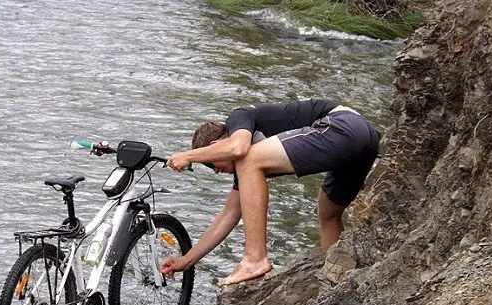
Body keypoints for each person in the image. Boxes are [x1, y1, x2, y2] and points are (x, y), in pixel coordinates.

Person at [161, 99, 380, 286]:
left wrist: (189, 156)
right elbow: (229, 214)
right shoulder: (247, 172)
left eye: (211, 163)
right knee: (328, 213)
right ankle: (336, 281)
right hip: (366, 138)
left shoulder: (239, 118)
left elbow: (237, 148)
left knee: (249, 159)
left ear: (215, 144)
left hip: (342, 125)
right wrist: (186, 260)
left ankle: (254, 259)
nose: (216, 171)